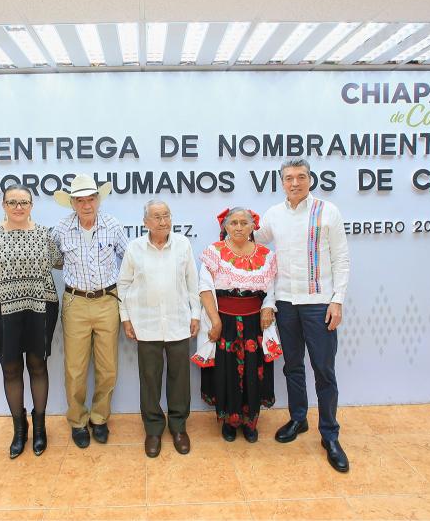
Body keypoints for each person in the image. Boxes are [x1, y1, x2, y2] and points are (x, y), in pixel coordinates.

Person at [255, 158, 351, 472]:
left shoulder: (328, 211)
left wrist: (337, 300)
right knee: (293, 367)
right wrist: (233, 223)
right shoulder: (274, 214)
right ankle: (299, 419)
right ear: (281, 182)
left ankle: (330, 434)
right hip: (285, 303)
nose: (294, 183)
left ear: (310, 179)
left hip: (319, 304)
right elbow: (254, 240)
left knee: (324, 370)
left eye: (300, 177)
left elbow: (341, 259)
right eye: (289, 178)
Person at [0, 184, 62, 459]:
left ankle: (40, 428)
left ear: (32, 205)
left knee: (38, 365)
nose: (18, 207)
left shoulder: (44, 235)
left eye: (23, 202)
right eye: (12, 202)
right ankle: (20, 430)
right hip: (1, 310)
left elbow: (60, 262)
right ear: (3, 206)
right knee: (10, 368)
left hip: (39, 308)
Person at [118, 200, 200, 457]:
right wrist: (125, 318)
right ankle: (153, 429)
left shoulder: (183, 245)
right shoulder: (134, 248)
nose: (163, 221)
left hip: (178, 321)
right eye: (157, 217)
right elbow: (123, 285)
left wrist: (195, 314)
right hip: (146, 323)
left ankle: (178, 427)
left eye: (166, 215)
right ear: (146, 222)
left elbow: (192, 283)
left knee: (180, 379)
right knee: (150, 379)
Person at [52, 174, 128, 448]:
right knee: (75, 368)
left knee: (108, 367)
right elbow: (55, 260)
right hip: (75, 303)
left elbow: (128, 259)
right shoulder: (61, 229)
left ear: (98, 200)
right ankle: (77, 421)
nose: (86, 205)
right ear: (72, 203)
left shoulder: (113, 225)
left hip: (108, 300)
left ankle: (100, 418)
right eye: (80, 200)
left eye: (91, 199)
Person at [199, 207, 277, 443]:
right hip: (225, 322)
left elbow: (272, 288)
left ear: (253, 226)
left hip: (255, 323)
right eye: (234, 223)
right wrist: (215, 321)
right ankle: (229, 421)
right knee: (227, 371)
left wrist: (268, 307)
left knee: (254, 370)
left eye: (244, 223)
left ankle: (250, 421)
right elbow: (205, 288)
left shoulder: (267, 255)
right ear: (226, 226)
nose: (239, 227)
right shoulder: (214, 252)